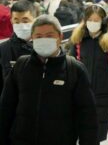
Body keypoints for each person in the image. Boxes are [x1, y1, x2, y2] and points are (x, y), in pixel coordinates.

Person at [0, 15, 99, 145]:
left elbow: (88, 117)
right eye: (39, 36)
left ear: (60, 37)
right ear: (32, 38)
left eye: (49, 35)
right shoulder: (21, 66)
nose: (44, 40)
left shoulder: (74, 69)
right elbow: (6, 108)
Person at [70, 4, 108, 142]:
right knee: (80, 135)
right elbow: (68, 68)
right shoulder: (78, 42)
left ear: (103, 21)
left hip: (103, 97)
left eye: (97, 20)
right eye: (90, 19)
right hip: (80, 96)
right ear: (85, 20)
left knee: (95, 137)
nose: (93, 23)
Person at [0, 0, 35, 95]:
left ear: (34, 19)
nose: (21, 25)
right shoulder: (3, 49)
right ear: (11, 20)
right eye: (16, 20)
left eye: (25, 20)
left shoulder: (44, 48)